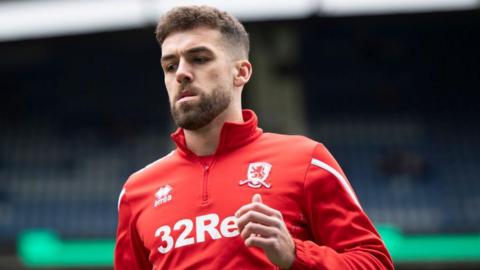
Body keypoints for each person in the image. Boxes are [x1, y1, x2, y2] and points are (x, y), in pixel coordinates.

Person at [115, 5, 393, 270]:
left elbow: (376, 263)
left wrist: (295, 255)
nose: (182, 74)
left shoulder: (306, 159)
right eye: (170, 66)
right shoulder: (137, 191)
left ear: (241, 72)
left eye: (199, 59)